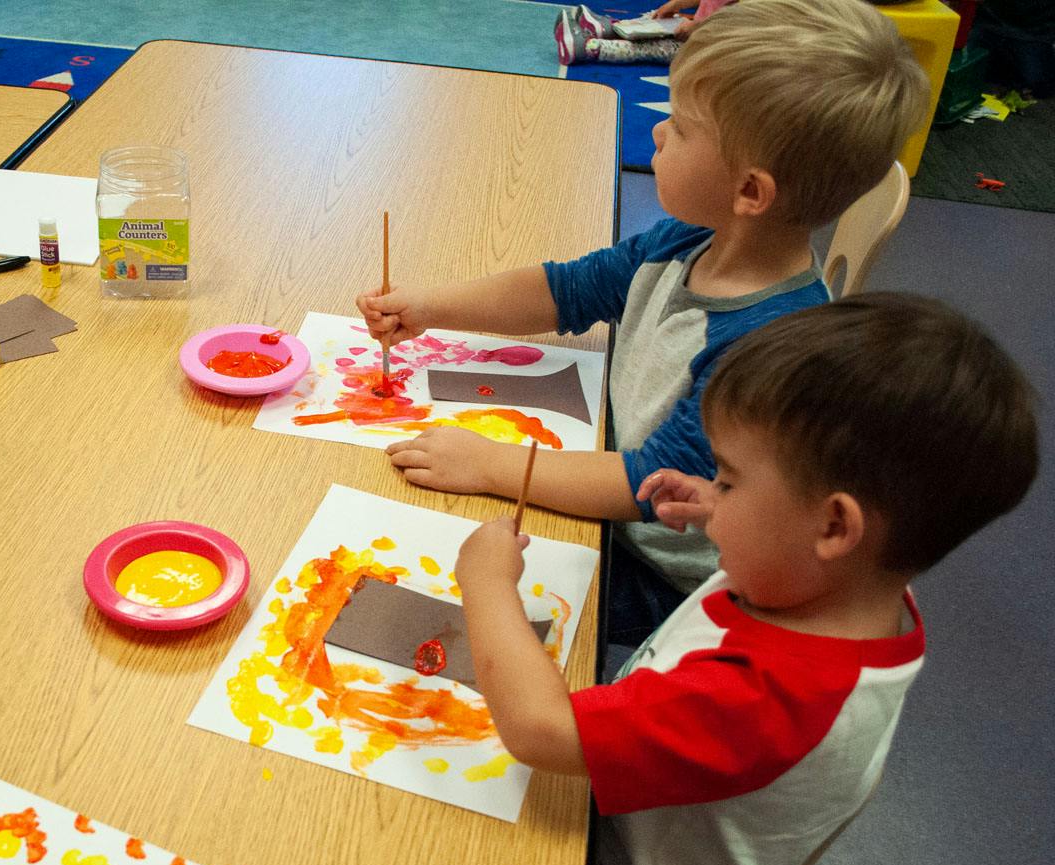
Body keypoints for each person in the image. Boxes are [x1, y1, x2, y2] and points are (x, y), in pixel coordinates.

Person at [451, 293, 1039, 865]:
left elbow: (540, 732)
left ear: (832, 525)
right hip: (622, 814)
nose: (716, 491)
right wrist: (717, 505)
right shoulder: (845, 586)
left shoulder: (770, 697)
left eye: (729, 476)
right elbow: (784, 547)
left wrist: (482, 581)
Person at [357, 0, 929, 645]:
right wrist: (433, 308)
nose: (656, 134)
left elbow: (644, 485)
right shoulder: (691, 239)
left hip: (667, 584)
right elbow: (567, 289)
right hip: (608, 484)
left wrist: (490, 465)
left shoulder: (766, 349)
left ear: (750, 192)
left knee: (424, 588)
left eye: (680, 128)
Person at [555, 2, 733, 66]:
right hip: (701, 26)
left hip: (714, 47)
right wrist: (678, 4)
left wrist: (697, 26)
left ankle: (588, 48)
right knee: (660, 19)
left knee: (654, 47)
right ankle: (613, 28)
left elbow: (741, 23)